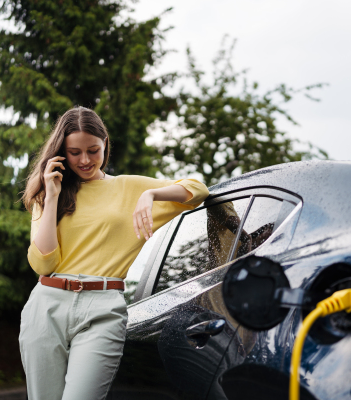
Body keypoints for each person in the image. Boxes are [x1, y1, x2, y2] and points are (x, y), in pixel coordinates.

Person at [18, 106, 209, 400]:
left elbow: (197, 188)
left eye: (93, 150)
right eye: (74, 152)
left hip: (103, 309)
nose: (85, 160)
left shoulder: (128, 187)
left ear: (105, 143)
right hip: (47, 307)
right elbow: (43, 263)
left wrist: (151, 194)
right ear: (61, 154)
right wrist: (52, 195)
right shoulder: (47, 195)